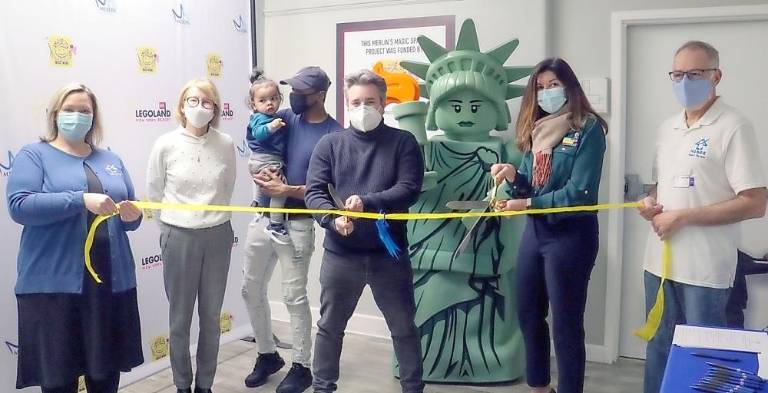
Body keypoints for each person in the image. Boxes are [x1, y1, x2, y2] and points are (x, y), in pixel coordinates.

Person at [637, 41, 767, 393]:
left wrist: (682, 218)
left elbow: (755, 203)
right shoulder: (668, 128)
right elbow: (660, 187)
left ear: (716, 76)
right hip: (659, 265)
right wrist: (648, 202)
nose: (684, 82)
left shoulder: (734, 126)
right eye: (677, 74)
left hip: (705, 270)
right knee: (659, 347)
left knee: (703, 356)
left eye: (694, 74)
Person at [7, 82, 144, 393]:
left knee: (106, 376)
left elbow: (129, 215)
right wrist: (80, 200)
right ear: (55, 114)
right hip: (54, 288)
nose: (78, 116)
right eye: (70, 110)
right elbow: (20, 206)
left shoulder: (111, 158)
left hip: (109, 285)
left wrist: (131, 217)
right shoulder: (34, 155)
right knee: (57, 380)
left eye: (85, 111)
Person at [304, 69, 425, 393]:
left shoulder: (404, 142)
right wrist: (332, 219)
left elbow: (409, 189)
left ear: (384, 103)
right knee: (329, 327)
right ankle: (322, 387)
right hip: (341, 255)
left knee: (403, 328)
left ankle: (413, 388)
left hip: (390, 255)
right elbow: (314, 193)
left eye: (370, 101)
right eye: (356, 102)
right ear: (346, 104)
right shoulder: (330, 145)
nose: (363, 108)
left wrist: (367, 202)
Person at [492, 58, 608, 393]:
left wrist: (526, 203)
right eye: (540, 87)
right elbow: (530, 185)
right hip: (537, 233)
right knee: (528, 314)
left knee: (567, 326)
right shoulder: (538, 130)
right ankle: (540, 388)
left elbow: (579, 192)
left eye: (553, 85)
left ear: (570, 87)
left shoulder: (588, 129)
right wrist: (514, 177)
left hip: (572, 235)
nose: (546, 93)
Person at [241, 66, 339, 393]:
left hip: (297, 224)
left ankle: (301, 366)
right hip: (263, 217)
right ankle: (267, 354)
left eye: (301, 92)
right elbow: (255, 135)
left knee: (294, 297)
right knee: (250, 289)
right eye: (291, 91)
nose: (292, 97)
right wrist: (257, 174)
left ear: (320, 95)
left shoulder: (335, 134)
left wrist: (289, 190)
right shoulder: (282, 116)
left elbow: (329, 190)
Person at [146, 78, 236, 393]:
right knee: (180, 320)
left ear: (215, 109)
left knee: (211, 319)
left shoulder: (225, 143)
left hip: (218, 236)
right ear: (182, 106)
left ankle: (205, 386)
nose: (199, 108)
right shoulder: (166, 144)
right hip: (178, 236)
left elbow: (226, 188)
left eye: (207, 102)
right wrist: (174, 225)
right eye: (193, 101)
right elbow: (155, 192)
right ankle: (182, 385)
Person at [246, 68, 290, 244]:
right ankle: (276, 225)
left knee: (263, 182)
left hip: (261, 160)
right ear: (254, 104)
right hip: (266, 160)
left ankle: (258, 204)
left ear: (280, 98)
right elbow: (259, 133)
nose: (269, 103)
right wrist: (272, 126)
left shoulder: (275, 116)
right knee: (280, 189)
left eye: (273, 98)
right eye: (263, 100)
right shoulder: (260, 118)